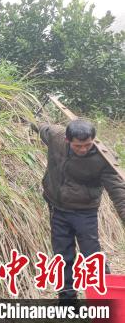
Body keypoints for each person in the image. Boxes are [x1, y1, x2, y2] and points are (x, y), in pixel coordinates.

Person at [33, 119, 125, 303]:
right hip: (57, 207)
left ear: (93, 140)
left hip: (85, 211)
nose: (83, 149)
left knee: (91, 256)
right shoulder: (57, 137)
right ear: (68, 140)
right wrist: (31, 123)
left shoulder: (103, 158)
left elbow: (118, 191)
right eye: (78, 146)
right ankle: (67, 300)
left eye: (87, 145)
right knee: (61, 254)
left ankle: (105, 297)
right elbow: (43, 127)